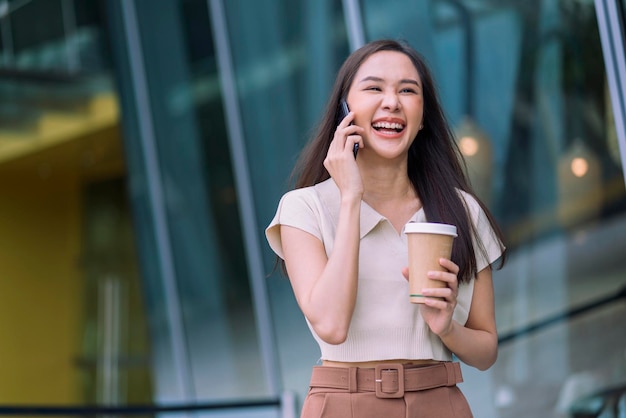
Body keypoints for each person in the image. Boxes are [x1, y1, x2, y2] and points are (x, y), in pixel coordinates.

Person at [265, 39, 506, 418]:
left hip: (439, 401)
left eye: (408, 90)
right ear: (344, 111)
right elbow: (330, 325)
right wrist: (350, 198)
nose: (392, 102)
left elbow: (486, 349)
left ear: (423, 115)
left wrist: (447, 328)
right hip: (343, 404)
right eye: (374, 88)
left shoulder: (461, 211)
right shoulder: (304, 209)